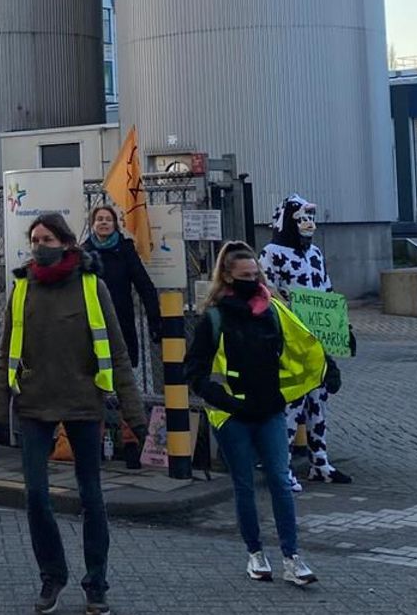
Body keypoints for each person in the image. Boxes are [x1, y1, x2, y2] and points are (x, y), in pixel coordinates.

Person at [0, 213, 146, 615]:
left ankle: (96, 584)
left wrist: (133, 413)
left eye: (47, 238)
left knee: (91, 496)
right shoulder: (23, 288)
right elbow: (6, 351)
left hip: (83, 403)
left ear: (66, 241)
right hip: (34, 404)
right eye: (35, 238)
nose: (40, 244)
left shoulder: (92, 286)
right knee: (36, 495)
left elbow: (118, 350)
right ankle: (52, 575)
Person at [186, 243, 319, 587]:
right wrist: (223, 400)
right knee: (244, 484)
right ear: (228, 277)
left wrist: (326, 368)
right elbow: (195, 371)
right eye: (245, 276)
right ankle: (255, 553)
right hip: (232, 416)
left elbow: (301, 344)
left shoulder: (273, 310)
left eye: (255, 274)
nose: (252, 280)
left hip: (270, 409)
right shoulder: (214, 318)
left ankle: (291, 556)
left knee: (280, 479)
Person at [260, 193, 351, 486]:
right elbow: (267, 292)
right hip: (289, 338)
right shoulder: (272, 253)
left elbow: (327, 291)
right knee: (291, 402)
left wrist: (342, 328)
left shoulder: (315, 254)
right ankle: (281, 465)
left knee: (318, 399)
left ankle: (320, 461)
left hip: (316, 339)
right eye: (301, 219)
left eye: (311, 218)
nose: (308, 224)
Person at [86, 206, 161, 468]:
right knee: (93, 388)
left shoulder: (125, 250)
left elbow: (144, 285)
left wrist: (155, 320)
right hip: (91, 331)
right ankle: (96, 443)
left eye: (108, 220)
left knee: (125, 387)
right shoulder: (84, 253)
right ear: (92, 224)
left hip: (121, 328)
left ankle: (130, 443)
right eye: (99, 219)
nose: (104, 223)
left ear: (115, 225)